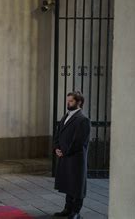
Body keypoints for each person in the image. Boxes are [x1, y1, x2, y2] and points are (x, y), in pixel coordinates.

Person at [53, 91, 91, 219]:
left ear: (79, 102)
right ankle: (67, 209)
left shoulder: (83, 119)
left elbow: (79, 142)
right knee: (68, 183)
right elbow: (58, 133)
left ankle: (76, 212)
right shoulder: (66, 116)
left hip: (76, 158)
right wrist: (57, 148)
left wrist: (65, 151)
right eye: (67, 100)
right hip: (65, 155)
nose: (68, 103)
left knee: (77, 185)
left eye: (71, 101)